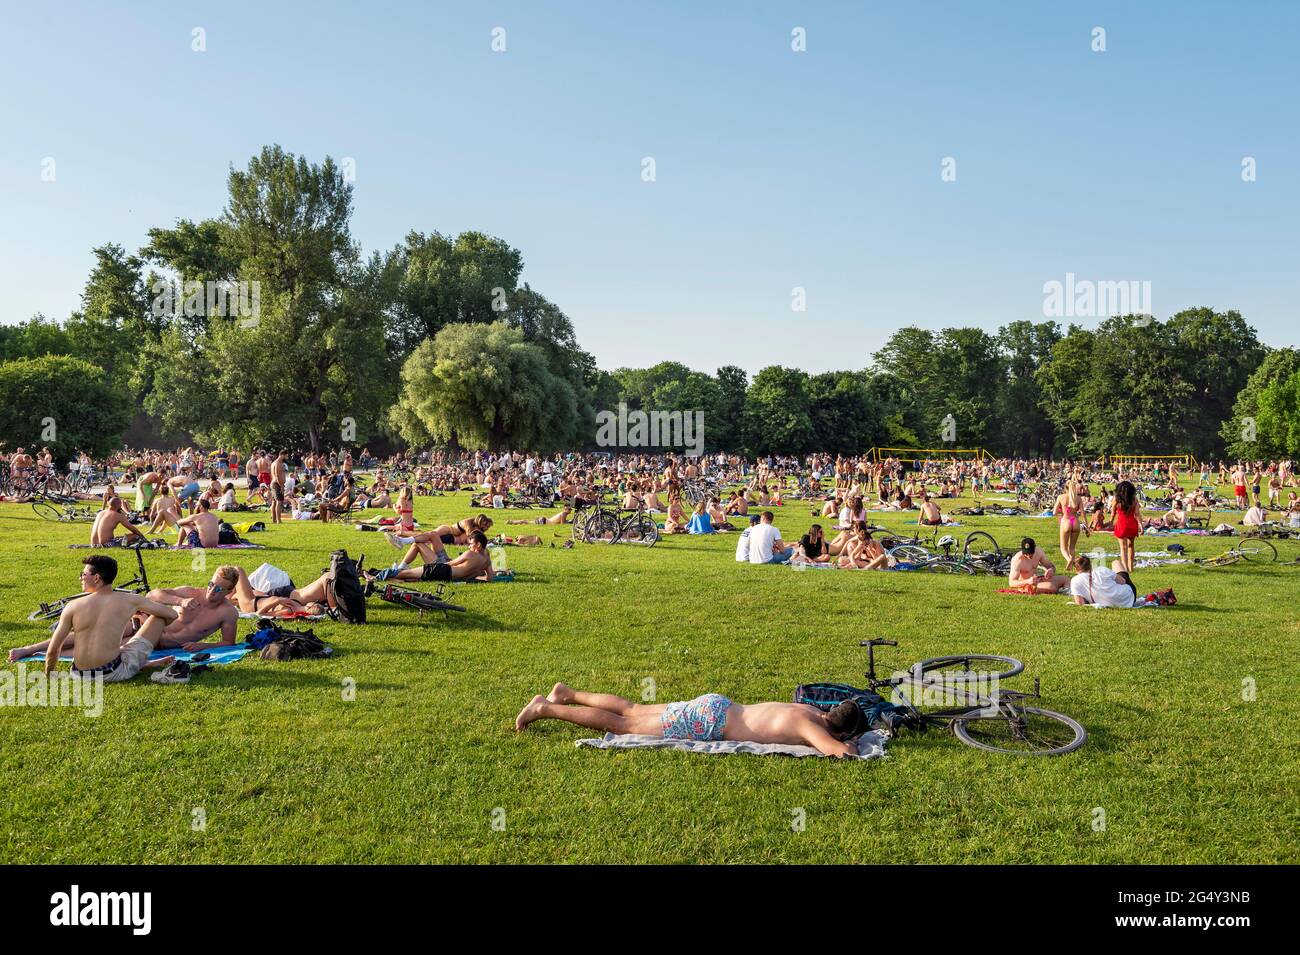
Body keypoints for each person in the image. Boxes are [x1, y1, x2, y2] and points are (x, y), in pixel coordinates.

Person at [514, 682, 864, 757]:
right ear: (840, 727)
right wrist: (847, 744)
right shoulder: (811, 727)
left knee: (633, 709)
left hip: (716, 705)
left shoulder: (808, 711)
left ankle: (568, 693)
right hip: (709, 724)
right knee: (623, 726)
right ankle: (546, 708)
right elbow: (839, 752)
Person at [7, 555, 180, 679]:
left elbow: (54, 649)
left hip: (78, 674)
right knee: (158, 618)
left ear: (96, 578)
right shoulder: (130, 601)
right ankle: (140, 663)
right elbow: (171, 615)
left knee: (120, 649)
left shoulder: (73, 606)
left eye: (83, 574)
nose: (81, 578)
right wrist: (145, 619)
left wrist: (49, 675)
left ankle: (140, 663)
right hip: (112, 672)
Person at [143, 565, 243, 650]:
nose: (211, 591)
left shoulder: (228, 613)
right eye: (211, 584)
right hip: (143, 627)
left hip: (156, 646)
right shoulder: (190, 593)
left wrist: (203, 646)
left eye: (218, 589)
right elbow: (151, 595)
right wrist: (180, 601)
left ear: (229, 592)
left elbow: (228, 643)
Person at [368, 531, 494, 583]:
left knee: (407, 572)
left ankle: (376, 576)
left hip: (443, 568)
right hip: (449, 573)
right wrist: (471, 577)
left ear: (478, 544)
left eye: (471, 544)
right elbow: (489, 578)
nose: (468, 546)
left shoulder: (470, 554)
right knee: (433, 535)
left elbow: (450, 564)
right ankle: (402, 546)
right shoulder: (486, 557)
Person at [1006, 536, 1071, 594]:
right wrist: (1028, 581)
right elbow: (1011, 582)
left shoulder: (1039, 552)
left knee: (1066, 579)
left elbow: (1051, 566)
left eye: (1030, 553)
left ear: (1034, 548)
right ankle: (1061, 590)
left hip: (1038, 579)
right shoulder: (1017, 560)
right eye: (1026, 553)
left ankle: (1066, 591)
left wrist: (1051, 570)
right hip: (1026, 584)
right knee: (1050, 586)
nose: (1028, 555)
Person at [1068, 555, 1136, 608]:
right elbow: (1123, 581)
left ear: (1076, 568)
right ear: (1090, 564)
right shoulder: (1101, 570)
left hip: (1110, 603)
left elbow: (1079, 602)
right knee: (1116, 562)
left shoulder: (1075, 580)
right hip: (1129, 597)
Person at [1112, 480, 1142, 573]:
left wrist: (1110, 522)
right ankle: (1131, 567)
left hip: (1121, 523)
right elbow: (1137, 514)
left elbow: (1113, 512)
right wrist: (1141, 525)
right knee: (1131, 546)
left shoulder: (1117, 499)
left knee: (1123, 547)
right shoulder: (1134, 499)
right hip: (1132, 524)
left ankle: (1124, 568)